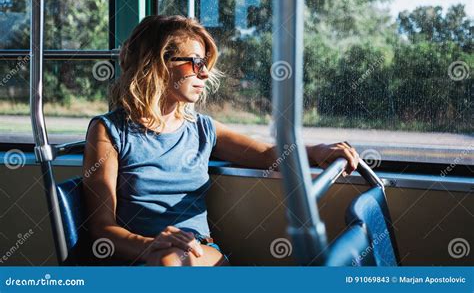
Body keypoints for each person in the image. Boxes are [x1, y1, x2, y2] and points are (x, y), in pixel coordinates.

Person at [82, 15, 359, 267]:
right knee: (167, 260)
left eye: (205, 64)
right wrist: (151, 246)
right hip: (137, 259)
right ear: (157, 64)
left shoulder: (202, 129)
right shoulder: (108, 131)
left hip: (198, 254)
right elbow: (102, 230)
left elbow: (267, 155)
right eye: (195, 62)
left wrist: (318, 151)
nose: (204, 73)